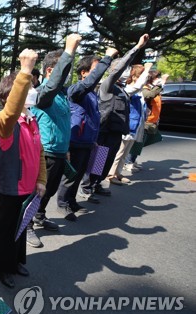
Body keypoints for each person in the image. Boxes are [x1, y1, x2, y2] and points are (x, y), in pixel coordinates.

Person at [0, 48, 46, 288]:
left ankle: (15, 261)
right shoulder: (4, 121)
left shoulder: (31, 118)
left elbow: (40, 152)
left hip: (30, 186)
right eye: (26, 87)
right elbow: (11, 111)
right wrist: (24, 71)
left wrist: (41, 179)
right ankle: (2, 266)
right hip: (12, 187)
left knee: (21, 226)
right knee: (6, 227)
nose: (31, 91)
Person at [81, 34, 150, 198]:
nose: (125, 71)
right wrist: (137, 47)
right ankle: (87, 186)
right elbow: (118, 69)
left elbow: (138, 86)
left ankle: (97, 183)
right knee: (98, 160)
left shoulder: (123, 90)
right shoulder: (107, 85)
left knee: (106, 161)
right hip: (104, 131)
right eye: (122, 69)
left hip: (116, 132)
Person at [29, 33, 81, 247]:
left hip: (60, 151)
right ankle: (27, 225)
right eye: (65, 71)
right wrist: (69, 51)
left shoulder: (61, 95)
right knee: (38, 191)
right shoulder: (44, 92)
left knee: (48, 191)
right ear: (51, 71)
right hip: (46, 152)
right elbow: (51, 86)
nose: (68, 77)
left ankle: (39, 216)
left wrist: (66, 148)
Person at [56, 48, 118, 220]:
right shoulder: (77, 90)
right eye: (95, 70)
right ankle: (63, 203)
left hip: (88, 141)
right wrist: (107, 59)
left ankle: (72, 199)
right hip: (76, 140)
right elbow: (90, 82)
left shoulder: (91, 94)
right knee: (70, 176)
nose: (98, 75)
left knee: (81, 173)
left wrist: (94, 139)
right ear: (84, 73)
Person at [107, 62, 152, 185]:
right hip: (107, 128)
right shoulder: (110, 87)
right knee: (104, 155)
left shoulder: (120, 88)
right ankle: (96, 181)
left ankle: (102, 180)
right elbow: (136, 87)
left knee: (117, 153)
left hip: (120, 127)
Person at [124, 70, 169, 171]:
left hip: (115, 128)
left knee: (118, 153)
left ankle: (111, 175)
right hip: (108, 130)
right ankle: (125, 164)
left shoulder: (137, 90)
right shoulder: (127, 89)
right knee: (113, 152)